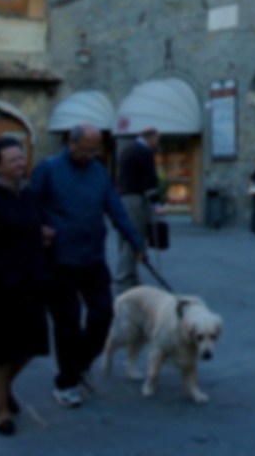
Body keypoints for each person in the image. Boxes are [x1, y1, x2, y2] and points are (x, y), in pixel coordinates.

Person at [30, 124, 147, 408]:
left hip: (92, 258)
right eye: (87, 149)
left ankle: (79, 362)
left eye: (96, 150)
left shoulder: (98, 173)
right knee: (67, 323)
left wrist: (136, 241)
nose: (92, 155)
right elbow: (30, 205)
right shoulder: (48, 170)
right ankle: (66, 382)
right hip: (59, 260)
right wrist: (39, 227)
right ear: (71, 142)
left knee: (104, 316)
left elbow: (115, 208)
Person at [0, 137, 50, 436]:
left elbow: (31, 226)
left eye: (21, 158)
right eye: (13, 160)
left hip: (30, 284)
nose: (20, 163)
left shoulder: (26, 194)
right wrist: (1, 277)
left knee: (30, 346)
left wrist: (42, 234)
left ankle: (4, 388)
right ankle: (0, 410)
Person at [114, 127, 160, 295]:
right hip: (136, 199)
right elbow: (149, 179)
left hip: (123, 197)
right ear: (151, 136)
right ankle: (125, 279)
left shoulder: (126, 149)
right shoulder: (144, 152)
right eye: (157, 138)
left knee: (125, 235)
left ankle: (130, 276)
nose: (158, 142)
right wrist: (156, 204)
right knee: (135, 236)